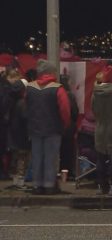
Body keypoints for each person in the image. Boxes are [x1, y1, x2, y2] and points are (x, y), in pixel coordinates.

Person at [26, 59, 71, 195]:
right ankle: (49, 185)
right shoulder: (58, 88)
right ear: (51, 72)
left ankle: (37, 185)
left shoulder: (30, 87)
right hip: (53, 128)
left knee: (37, 156)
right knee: (51, 157)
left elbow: (26, 106)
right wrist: (65, 124)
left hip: (35, 128)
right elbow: (65, 109)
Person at [92, 66, 112, 195]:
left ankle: (102, 186)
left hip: (100, 127)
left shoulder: (96, 92)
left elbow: (93, 110)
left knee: (100, 158)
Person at [6, 69, 31, 189]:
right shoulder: (23, 103)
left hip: (14, 133)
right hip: (23, 135)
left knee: (16, 158)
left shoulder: (12, 101)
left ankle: (16, 181)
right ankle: (20, 182)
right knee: (23, 159)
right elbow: (26, 119)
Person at [59, 74, 79, 178]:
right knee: (67, 152)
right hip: (68, 128)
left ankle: (56, 172)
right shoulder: (70, 95)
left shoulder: (54, 93)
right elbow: (75, 113)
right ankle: (66, 174)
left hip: (56, 127)